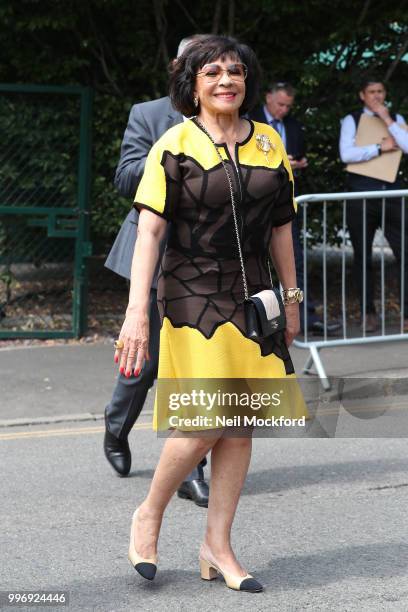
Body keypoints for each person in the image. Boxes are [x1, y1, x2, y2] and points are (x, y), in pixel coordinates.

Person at [114, 35, 306, 592]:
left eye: (237, 72)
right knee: (205, 420)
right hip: (191, 293)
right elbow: (150, 231)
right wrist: (137, 312)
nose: (227, 80)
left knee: (240, 423)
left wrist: (292, 300)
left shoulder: (269, 143)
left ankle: (216, 546)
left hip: (255, 299)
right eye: (214, 72)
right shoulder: (173, 144)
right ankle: (150, 512)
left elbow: (282, 229)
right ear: (192, 85)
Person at [103, 35, 209, 507]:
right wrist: (175, 146)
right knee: (143, 364)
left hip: (207, 261)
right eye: (200, 64)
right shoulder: (148, 115)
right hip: (153, 252)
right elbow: (126, 178)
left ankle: (191, 468)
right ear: (179, 66)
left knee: (195, 364)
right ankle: (115, 428)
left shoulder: (235, 121)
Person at [250, 82, 340, 335]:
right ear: (267, 97)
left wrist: (297, 163)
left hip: (284, 201)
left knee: (294, 260)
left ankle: (305, 317)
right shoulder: (248, 119)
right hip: (253, 202)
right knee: (253, 261)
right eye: (280, 104)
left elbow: (301, 154)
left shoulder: (293, 124)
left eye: (288, 106)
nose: (283, 110)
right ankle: (258, 319)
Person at [339, 77, 408, 332]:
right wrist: (379, 148)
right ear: (362, 95)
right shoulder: (352, 120)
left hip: (392, 193)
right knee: (362, 257)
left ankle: (406, 314)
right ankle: (368, 312)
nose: (377, 96)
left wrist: (387, 119)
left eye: (380, 91)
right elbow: (346, 154)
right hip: (361, 194)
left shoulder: (397, 119)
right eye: (372, 92)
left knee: (405, 253)